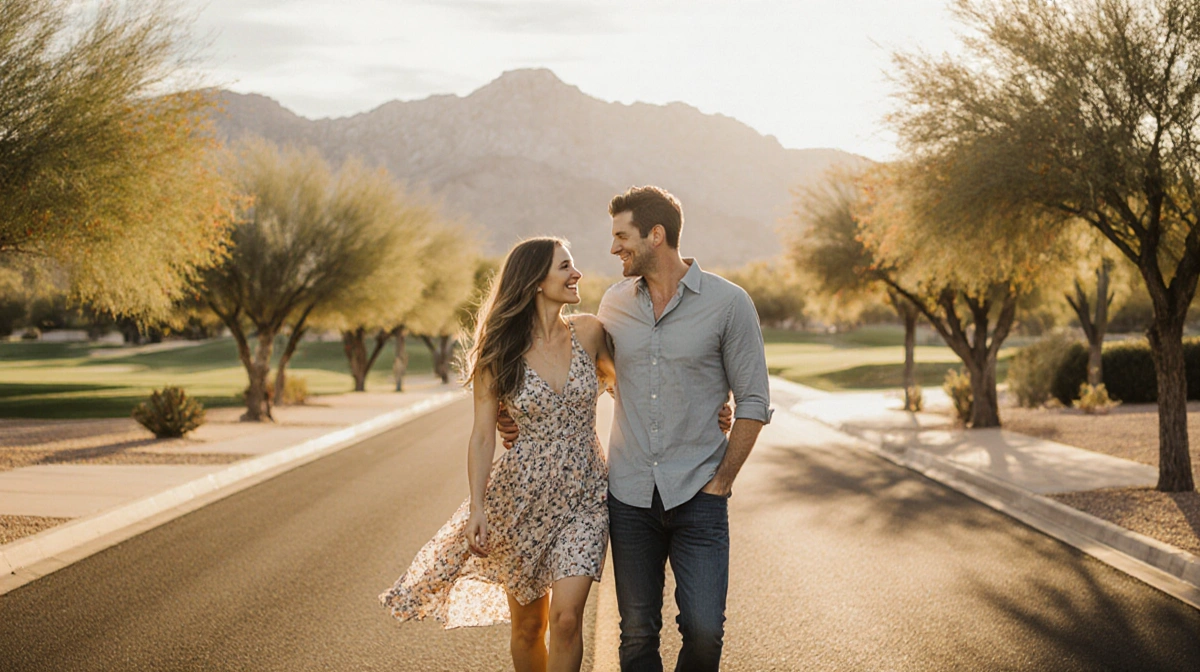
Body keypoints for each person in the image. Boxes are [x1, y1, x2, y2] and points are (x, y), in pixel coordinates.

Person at [504, 186, 772, 671]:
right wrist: (516, 415)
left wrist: (723, 479)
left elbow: (755, 400)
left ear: (656, 235)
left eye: (621, 236)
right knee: (637, 635)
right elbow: (590, 377)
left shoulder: (729, 304)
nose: (613, 249)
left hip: (700, 494)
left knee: (706, 631)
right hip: (629, 498)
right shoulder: (612, 306)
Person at [380, 237, 613, 672]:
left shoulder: (590, 331)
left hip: (586, 496)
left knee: (566, 619)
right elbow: (483, 436)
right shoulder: (498, 351)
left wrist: (707, 407)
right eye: (565, 267)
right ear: (535, 281)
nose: (576, 274)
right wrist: (478, 506)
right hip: (520, 500)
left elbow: (634, 388)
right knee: (528, 628)